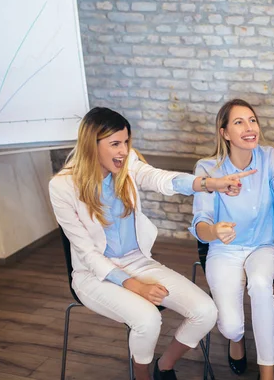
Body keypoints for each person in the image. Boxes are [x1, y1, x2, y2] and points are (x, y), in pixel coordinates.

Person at [49, 107, 251, 380]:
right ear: (91, 145)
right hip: (93, 275)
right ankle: (141, 376)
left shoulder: (126, 162)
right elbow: (86, 253)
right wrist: (136, 286)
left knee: (205, 311)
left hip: (137, 260)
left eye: (126, 142)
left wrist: (211, 184)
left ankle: (164, 366)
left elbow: (160, 178)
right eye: (115, 144)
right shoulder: (62, 186)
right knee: (148, 319)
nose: (124, 150)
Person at [190, 99, 274, 380]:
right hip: (224, 250)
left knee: (261, 285)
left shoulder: (268, 157)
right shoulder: (208, 168)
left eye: (252, 120)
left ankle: (267, 373)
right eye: (239, 122)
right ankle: (237, 341)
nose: (249, 128)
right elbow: (200, 225)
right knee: (232, 327)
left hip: (263, 246)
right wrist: (215, 232)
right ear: (224, 133)